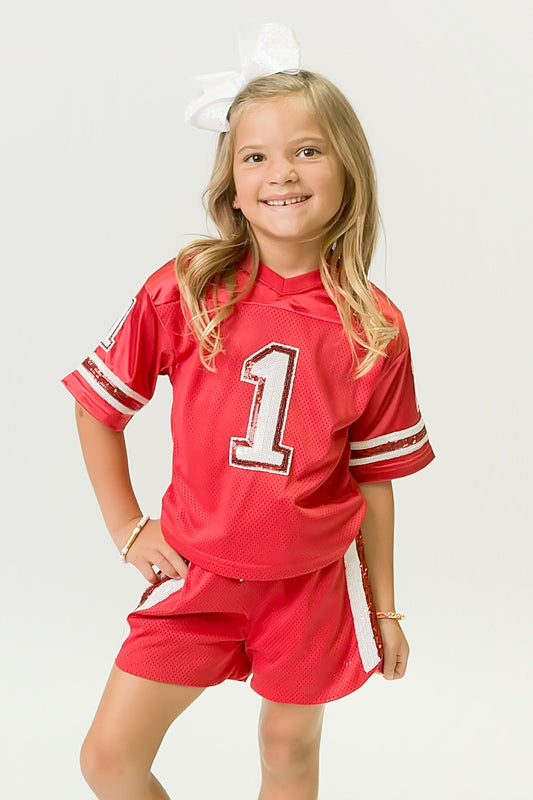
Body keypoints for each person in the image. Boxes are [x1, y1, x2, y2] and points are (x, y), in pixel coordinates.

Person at [62, 23, 434, 800]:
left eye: (307, 150)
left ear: (347, 170)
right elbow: (99, 408)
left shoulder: (373, 324)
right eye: (254, 156)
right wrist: (129, 526)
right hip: (198, 576)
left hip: (309, 588)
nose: (281, 173)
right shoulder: (188, 287)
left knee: (288, 754)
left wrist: (386, 607)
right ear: (231, 182)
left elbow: (373, 480)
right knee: (107, 758)